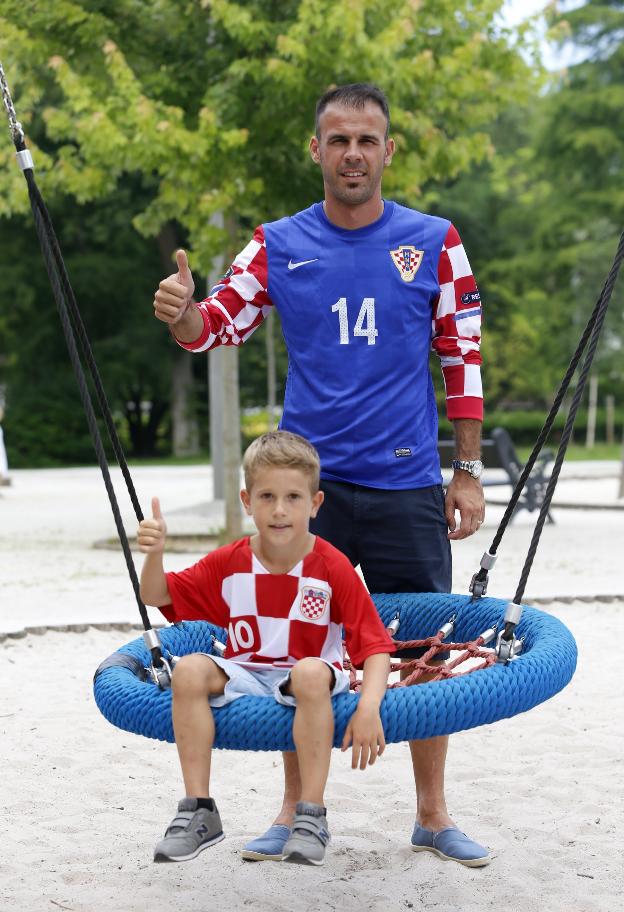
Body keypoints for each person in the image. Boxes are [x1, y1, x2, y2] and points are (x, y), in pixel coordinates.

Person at [151, 83, 489, 866]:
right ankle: (293, 809)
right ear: (316, 149)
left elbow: (462, 359)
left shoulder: (435, 239)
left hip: (406, 483)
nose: (352, 154)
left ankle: (433, 812)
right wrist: (181, 312)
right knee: (286, 649)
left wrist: (466, 472)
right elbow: (215, 327)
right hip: (299, 495)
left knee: (424, 651)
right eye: (337, 140)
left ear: (388, 150)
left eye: (367, 140)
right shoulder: (275, 242)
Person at [138, 430, 394, 866]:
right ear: (247, 501)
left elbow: (374, 646)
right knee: (188, 670)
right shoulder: (230, 561)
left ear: (315, 504)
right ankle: (199, 810)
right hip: (248, 672)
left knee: (311, 672)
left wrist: (369, 706)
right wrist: (155, 553)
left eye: (294, 497)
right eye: (267, 496)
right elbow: (156, 594)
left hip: (311, 676)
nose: (279, 510)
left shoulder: (331, 565)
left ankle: (310, 815)